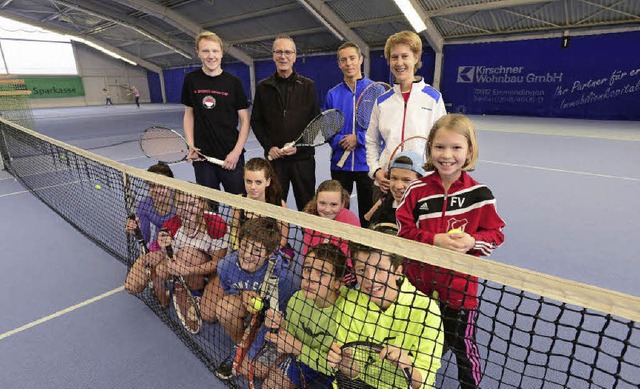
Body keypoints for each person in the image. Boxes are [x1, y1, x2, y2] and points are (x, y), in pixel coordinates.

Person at [397, 114, 506, 389]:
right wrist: (434, 240)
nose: (447, 155)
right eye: (440, 147)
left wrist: (472, 242)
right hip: (417, 287)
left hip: (460, 290)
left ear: (470, 151)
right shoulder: (415, 191)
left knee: (463, 349)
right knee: (415, 339)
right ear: (430, 149)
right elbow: (403, 233)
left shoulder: (481, 195)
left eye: (456, 148)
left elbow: (495, 235)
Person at [327, 224, 443, 389]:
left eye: (379, 269)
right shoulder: (350, 304)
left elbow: (424, 381)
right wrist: (346, 365)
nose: (370, 279)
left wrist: (407, 367)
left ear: (398, 271)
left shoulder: (426, 311)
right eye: (362, 270)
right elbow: (353, 372)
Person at [366, 30, 447, 200]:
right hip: (387, 185)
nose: (399, 62)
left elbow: (442, 143)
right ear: (388, 61)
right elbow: (371, 140)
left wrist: (431, 175)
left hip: (421, 185)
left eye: (405, 56)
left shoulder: (433, 98)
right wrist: (376, 170)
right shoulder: (381, 101)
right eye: (394, 57)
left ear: (416, 58)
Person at [213, 216, 296, 379]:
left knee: (256, 371)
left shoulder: (282, 279)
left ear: (270, 253)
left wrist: (251, 355)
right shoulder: (225, 266)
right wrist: (242, 294)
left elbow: (282, 317)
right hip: (252, 311)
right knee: (224, 308)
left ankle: (268, 353)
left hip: (276, 319)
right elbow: (229, 289)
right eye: (244, 246)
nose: (247, 255)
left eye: (257, 251)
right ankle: (240, 345)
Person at [125, 191, 228, 317]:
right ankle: (173, 286)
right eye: (180, 203)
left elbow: (219, 263)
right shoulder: (170, 225)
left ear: (201, 203)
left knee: (208, 315)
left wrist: (188, 270)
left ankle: (197, 291)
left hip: (215, 269)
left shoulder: (216, 225)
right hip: (183, 263)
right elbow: (160, 252)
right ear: (175, 205)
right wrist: (157, 251)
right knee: (132, 285)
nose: (186, 208)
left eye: (191, 203)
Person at [263, 243, 347, 388]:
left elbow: (336, 367)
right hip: (303, 358)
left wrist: (297, 347)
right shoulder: (298, 299)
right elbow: (293, 334)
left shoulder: (347, 315)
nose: (310, 278)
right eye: (308, 269)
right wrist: (280, 326)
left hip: (332, 372)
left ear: (337, 283)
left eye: (322, 273)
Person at [251, 35, 320, 210]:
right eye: (279, 52)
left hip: (303, 161)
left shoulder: (307, 86)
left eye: (288, 52)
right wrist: (269, 147)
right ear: (273, 56)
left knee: (307, 209)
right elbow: (256, 122)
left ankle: (308, 238)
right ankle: (275, 238)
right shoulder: (263, 87)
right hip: (275, 163)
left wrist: (300, 147)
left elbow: (316, 124)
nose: (283, 56)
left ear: (295, 56)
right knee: (274, 207)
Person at [182, 31, 250, 195]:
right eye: (205, 51)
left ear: (221, 52)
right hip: (202, 158)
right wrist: (191, 145)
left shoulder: (234, 83)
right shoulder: (191, 80)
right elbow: (188, 114)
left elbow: (245, 120)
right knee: (209, 211)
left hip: (231, 158)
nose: (210, 56)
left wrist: (236, 152)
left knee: (239, 209)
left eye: (214, 51)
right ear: (198, 53)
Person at [324, 42, 374, 227]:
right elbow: (327, 128)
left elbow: (382, 130)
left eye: (352, 58)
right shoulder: (332, 94)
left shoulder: (375, 91)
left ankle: (366, 251)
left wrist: (358, 139)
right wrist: (339, 141)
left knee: (368, 214)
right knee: (338, 213)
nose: (348, 63)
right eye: (343, 60)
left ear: (360, 59)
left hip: (367, 165)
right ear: (339, 64)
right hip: (340, 165)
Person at [228, 158, 290, 253]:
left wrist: (263, 255)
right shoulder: (238, 202)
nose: (253, 187)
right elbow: (236, 233)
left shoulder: (279, 204)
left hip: (273, 251)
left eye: (258, 182)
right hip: (246, 251)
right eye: (248, 181)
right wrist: (241, 251)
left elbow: (283, 239)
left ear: (268, 182)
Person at [364, 151, 425, 226]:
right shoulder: (386, 201)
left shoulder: (427, 212)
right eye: (394, 178)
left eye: (406, 180)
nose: (398, 186)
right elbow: (366, 222)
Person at [124, 162, 175, 249]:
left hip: (182, 242)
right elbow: (145, 239)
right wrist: (136, 231)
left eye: (162, 186)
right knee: (142, 262)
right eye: (152, 186)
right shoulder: (144, 206)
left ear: (170, 186)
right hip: (160, 241)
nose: (157, 190)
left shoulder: (180, 202)